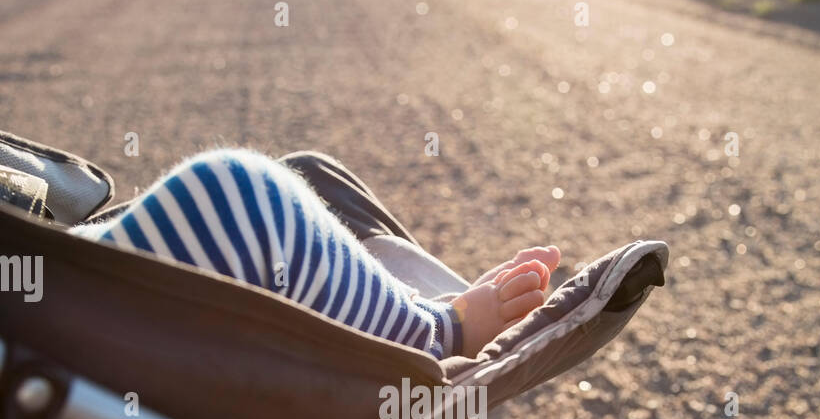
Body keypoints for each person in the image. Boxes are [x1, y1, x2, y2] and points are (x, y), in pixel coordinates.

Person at [71, 148, 559, 359]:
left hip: (53, 295)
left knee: (309, 175)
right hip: (61, 326)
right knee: (239, 192)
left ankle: (391, 304)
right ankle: (432, 335)